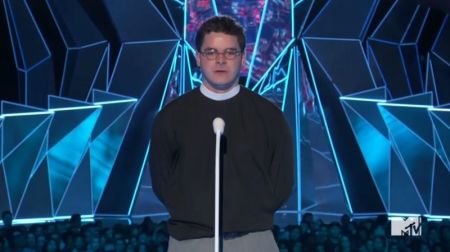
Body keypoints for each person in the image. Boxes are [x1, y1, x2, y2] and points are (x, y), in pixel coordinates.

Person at [150, 15, 294, 252]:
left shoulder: (269, 116)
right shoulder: (171, 116)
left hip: (254, 239)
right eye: (211, 52)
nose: (220, 60)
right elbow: (162, 182)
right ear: (198, 57)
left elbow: (282, 182)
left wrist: (248, 215)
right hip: (190, 241)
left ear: (243, 58)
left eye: (230, 52)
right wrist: (194, 213)